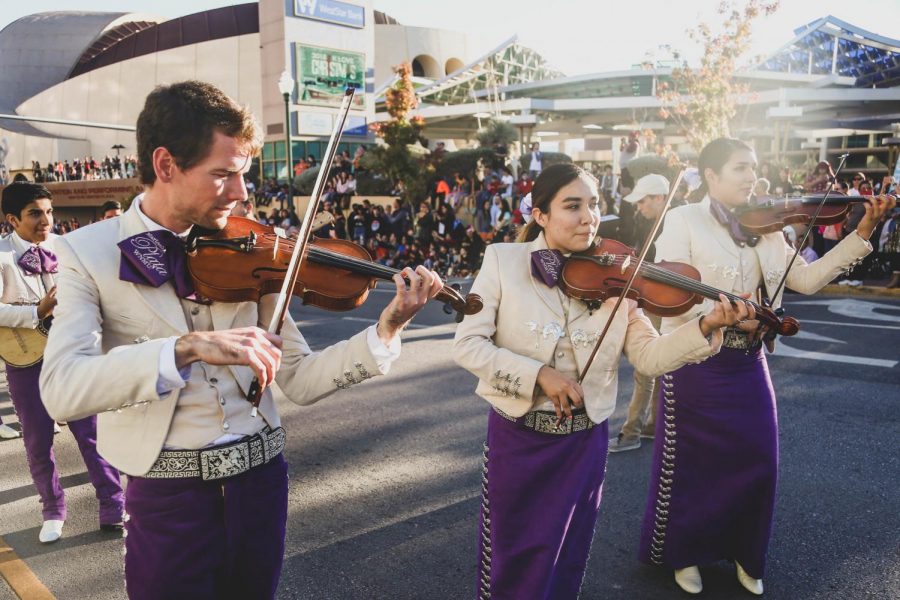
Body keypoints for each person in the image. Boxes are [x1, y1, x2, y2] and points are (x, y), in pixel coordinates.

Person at [38, 81, 443, 600]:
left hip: (261, 483)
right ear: (166, 165)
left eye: (244, 174)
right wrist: (183, 348)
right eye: (223, 175)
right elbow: (62, 389)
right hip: (167, 493)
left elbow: (297, 377)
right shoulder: (85, 253)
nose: (241, 194)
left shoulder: (252, 247)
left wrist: (386, 329)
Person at [452, 163, 752, 600]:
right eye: (572, 206)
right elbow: (468, 344)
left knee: (566, 552)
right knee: (515, 555)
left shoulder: (621, 277)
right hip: (520, 439)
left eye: (594, 204)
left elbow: (649, 358)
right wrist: (539, 375)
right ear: (540, 215)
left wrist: (705, 326)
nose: (589, 216)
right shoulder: (502, 260)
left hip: (584, 442)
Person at [637, 138, 895, 596]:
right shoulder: (682, 220)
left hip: (747, 362)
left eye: (753, 167)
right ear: (711, 176)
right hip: (697, 360)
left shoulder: (768, 227)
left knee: (759, 460)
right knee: (694, 464)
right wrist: (711, 316)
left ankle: (745, 551)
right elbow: (667, 300)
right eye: (739, 168)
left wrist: (863, 233)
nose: (750, 176)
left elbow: (805, 280)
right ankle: (687, 552)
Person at [1, 182, 124, 542]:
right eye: (35, 213)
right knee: (38, 441)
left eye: (50, 212)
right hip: (24, 360)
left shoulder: (68, 249)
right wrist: (37, 311)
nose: (46, 220)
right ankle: (52, 509)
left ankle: (114, 505)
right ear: (12, 219)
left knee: (91, 434)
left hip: (73, 354)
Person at [607, 173, 671, 453]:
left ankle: (631, 432)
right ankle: (651, 425)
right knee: (656, 367)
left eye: (643, 201)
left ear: (659, 198)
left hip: (662, 301)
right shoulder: (651, 223)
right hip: (655, 300)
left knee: (645, 368)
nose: (639, 207)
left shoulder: (672, 224)